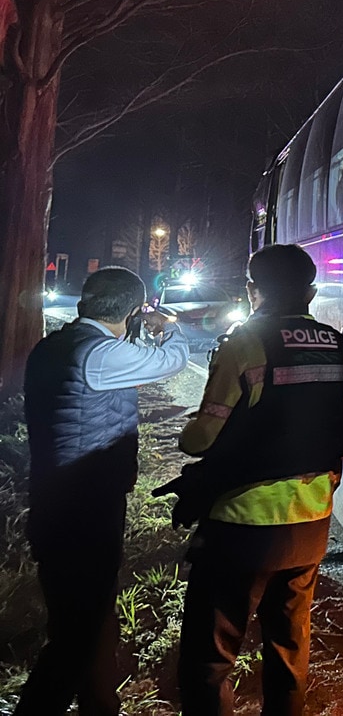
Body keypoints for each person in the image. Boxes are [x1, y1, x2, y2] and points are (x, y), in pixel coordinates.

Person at [164, 244, 343, 716]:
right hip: (310, 524)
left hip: (240, 525)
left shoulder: (245, 344)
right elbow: (342, 439)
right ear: (311, 292)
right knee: (290, 648)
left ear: (253, 290)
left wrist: (190, 433)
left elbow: (199, 440)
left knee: (210, 658)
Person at [19, 266, 191, 716]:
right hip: (86, 510)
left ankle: (100, 705)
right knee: (77, 637)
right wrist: (169, 329)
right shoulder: (100, 356)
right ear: (133, 313)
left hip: (56, 501)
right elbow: (172, 361)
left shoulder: (55, 346)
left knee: (81, 624)